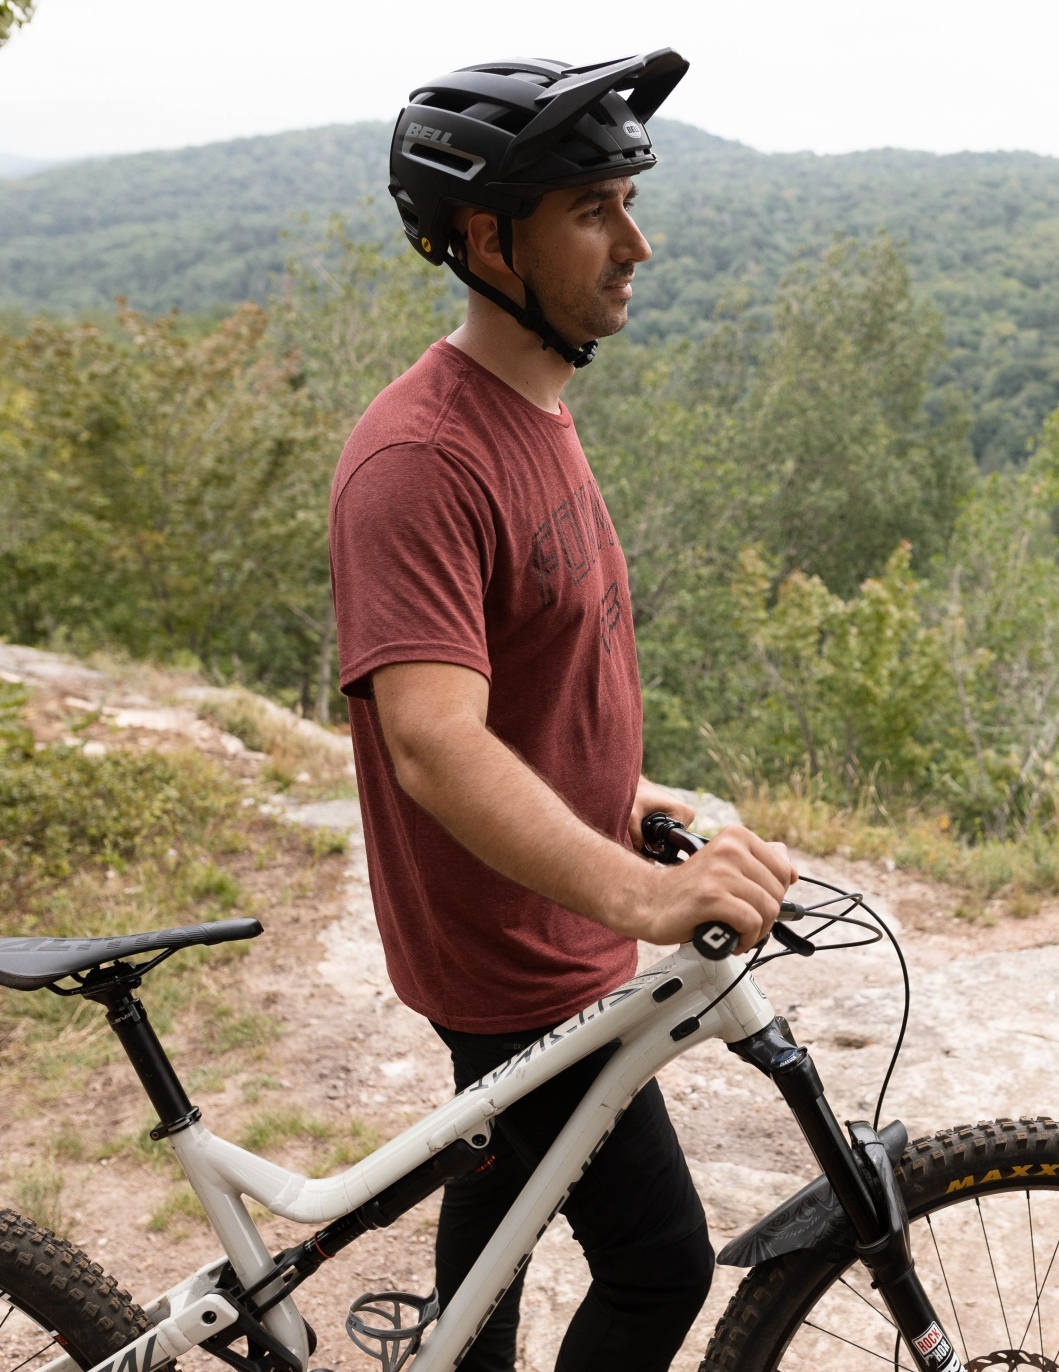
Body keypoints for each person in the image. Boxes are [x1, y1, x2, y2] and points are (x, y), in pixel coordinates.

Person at [329, 49, 797, 1372]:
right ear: (489, 237)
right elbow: (433, 740)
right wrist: (646, 898)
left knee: (494, 1235)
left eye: (628, 204)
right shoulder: (426, 458)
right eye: (593, 209)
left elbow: (523, 691)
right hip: (517, 962)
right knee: (658, 1270)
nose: (636, 243)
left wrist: (628, 803)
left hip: (546, 928)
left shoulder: (532, 410)